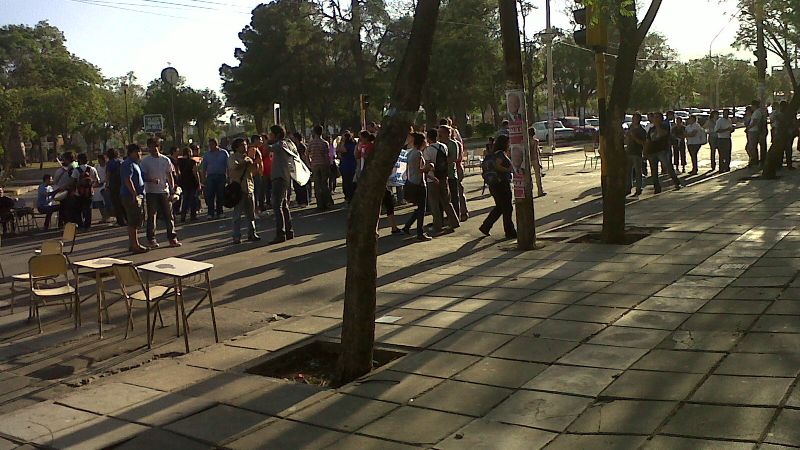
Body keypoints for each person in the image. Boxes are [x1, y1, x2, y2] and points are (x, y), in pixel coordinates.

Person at [140, 137, 180, 248]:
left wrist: (172, 188)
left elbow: (169, 174)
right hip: (151, 191)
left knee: (169, 215)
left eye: (155, 146)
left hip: (164, 191)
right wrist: (151, 180)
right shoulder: (145, 161)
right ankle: (151, 239)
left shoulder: (165, 160)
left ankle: (172, 238)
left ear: (159, 147)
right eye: (150, 147)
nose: (153, 149)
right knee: (152, 216)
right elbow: (142, 176)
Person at [479, 134, 516, 239]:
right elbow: (497, 165)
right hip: (502, 183)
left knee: (500, 207)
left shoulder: (492, 154)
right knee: (507, 208)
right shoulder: (500, 154)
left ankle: (486, 226)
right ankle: (510, 231)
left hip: (493, 183)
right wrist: (509, 169)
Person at [424, 128, 460, 234]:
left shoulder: (428, 150)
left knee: (434, 203)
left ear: (428, 138)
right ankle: (454, 221)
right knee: (446, 201)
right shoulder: (443, 146)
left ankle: (437, 225)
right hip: (444, 176)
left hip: (432, 178)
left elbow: (428, 165)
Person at [228, 138, 260, 243]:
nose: (245, 147)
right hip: (239, 189)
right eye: (242, 145)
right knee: (237, 215)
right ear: (237, 147)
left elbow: (254, 172)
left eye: (246, 144)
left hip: (249, 188)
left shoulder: (248, 158)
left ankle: (252, 233)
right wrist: (244, 162)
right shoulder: (232, 157)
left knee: (251, 214)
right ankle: (236, 236)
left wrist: (255, 163)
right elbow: (234, 167)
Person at [268, 125, 296, 244]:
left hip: (279, 177)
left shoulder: (280, 145)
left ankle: (281, 233)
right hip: (285, 176)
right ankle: (289, 230)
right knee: (284, 205)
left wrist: (266, 142)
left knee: (277, 205)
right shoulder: (288, 143)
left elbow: (267, 148)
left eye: (271, 134)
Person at [401, 132, 431, 241]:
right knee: (422, 209)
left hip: (411, 181)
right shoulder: (418, 154)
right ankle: (420, 232)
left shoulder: (410, 153)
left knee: (420, 208)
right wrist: (429, 167)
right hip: (419, 183)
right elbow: (420, 170)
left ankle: (407, 226)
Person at [120, 144, 148, 254]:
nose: (139, 154)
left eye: (139, 152)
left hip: (138, 194)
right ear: (130, 153)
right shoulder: (128, 164)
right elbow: (127, 179)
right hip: (130, 196)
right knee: (133, 220)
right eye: (136, 152)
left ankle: (133, 244)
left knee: (136, 220)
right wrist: (134, 194)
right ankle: (135, 245)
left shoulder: (135, 164)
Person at [646, 112, 681, 193]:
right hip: (653, 151)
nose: (655, 119)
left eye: (657, 117)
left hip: (663, 150)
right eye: (654, 117)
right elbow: (648, 140)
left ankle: (676, 183)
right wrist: (646, 151)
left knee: (668, 167)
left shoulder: (665, 126)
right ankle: (657, 188)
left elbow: (662, 134)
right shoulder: (651, 129)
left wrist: (657, 125)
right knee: (654, 171)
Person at [201, 138, 229, 219]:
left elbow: (228, 166)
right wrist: (203, 178)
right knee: (210, 195)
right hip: (210, 176)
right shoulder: (206, 155)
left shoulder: (223, 153)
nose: (210, 146)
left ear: (216, 144)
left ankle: (220, 212)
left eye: (212, 144)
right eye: (209, 145)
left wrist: (229, 177)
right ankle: (210, 213)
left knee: (220, 194)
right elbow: (204, 168)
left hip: (221, 176)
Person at [308, 125, 334, 211]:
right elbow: (327, 156)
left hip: (315, 165)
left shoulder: (311, 143)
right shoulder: (324, 143)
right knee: (324, 184)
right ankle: (327, 202)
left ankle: (319, 204)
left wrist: (309, 163)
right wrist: (328, 165)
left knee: (317, 185)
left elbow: (307, 153)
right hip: (323, 164)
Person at [71, 153, 99, 230]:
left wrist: (73, 190)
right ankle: (88, 226)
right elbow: (97, 181)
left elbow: (73, 181)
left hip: (79, 193)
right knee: (88, 209)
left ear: (79, 160)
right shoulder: (92, 169)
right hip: (89, 192)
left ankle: (80, 225)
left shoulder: (76, 170)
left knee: (78, 210)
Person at [52, 152, 78, 227]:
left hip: (68, 190)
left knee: (65, 208)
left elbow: (55, 181)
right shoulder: (76, 165)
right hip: (72, 190)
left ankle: (65, 223)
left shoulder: (70, 169)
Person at [177, 147, 200, 222]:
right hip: (192, 182)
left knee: (185, 200)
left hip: (184, 182)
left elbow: (178, 172)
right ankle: (193, 216)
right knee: (193, 199)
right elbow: (195, 172)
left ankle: (183, 216)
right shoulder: (192, 162)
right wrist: (199, 183)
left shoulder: (180, 161)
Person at [626, 112, 646, 196]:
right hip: (629, 151)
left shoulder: (641, 130)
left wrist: (634, 137)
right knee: (628, 171)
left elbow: (643, 142)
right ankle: (628, 187)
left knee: (638, 171)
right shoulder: (630, 128)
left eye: (635, 118)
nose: (633, 119)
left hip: (637, 152)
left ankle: (639, 187)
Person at [106, 148, 126, 226]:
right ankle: (127, 219)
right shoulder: (121, 161)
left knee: (116, 203)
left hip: (114, 184)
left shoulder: (110, 163)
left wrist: (106, 184)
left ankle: (120, 221)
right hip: (123, 183)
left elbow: (108, 174)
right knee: (123, 202)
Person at [337, 131, 358, 205]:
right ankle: (352, 197)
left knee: (347, 183)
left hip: (346, 166)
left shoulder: (346, 145)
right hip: (353, 165)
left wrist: (341, 141)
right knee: (352, 183)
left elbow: (341, 150)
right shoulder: (354, 144)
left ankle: (349, 198)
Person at [291, 132, 310, 207]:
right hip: (296, 166)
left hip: (300, 166)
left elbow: (303, 156)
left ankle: (304, 201)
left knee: (302, 185)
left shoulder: (301, 146)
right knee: (297, 185)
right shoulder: (296, 146)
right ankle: (299, 200)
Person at [93, 153, 112, 224]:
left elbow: (108, 176)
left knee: (106, 201)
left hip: (105, 185)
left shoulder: (107, 166)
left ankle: (108, 215)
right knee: (99, 202)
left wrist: (103, 182)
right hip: (98, 185)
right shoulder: (96, 166)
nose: (100, 161)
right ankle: (104, 216)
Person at [528, 127, 546, 197]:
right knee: (538, 176)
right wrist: (539, 163)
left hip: (528, 159)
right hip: (535, 159)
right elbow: (536, 152)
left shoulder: (525, 141)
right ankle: (540, 191)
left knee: (528, 176)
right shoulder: (535, 141)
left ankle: (529, 192)